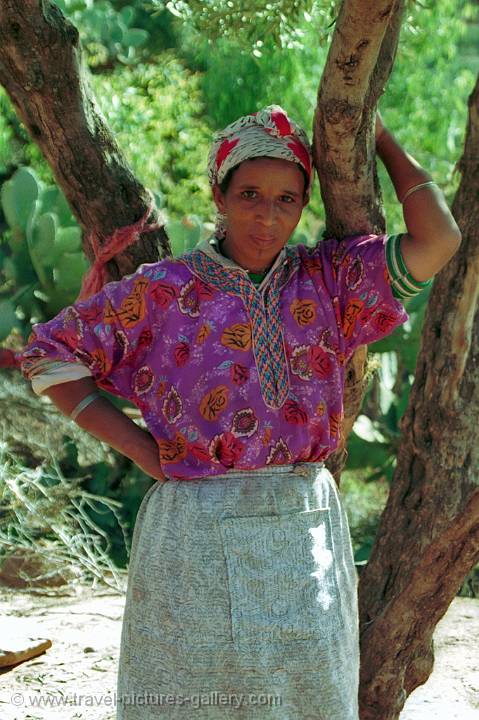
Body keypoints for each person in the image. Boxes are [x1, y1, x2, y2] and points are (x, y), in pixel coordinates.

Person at [18, 105, 461, 719]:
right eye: (250, 193)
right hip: (192, 530)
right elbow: (48, 355)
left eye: (287, 199)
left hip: (302, 530)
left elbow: (441, 238)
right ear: (219, 194)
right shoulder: (164, 289)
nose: (267, 215)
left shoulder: (331, 281)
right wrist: (143, 450)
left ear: (304, 205)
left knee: (305, 700)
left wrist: (377, 135)